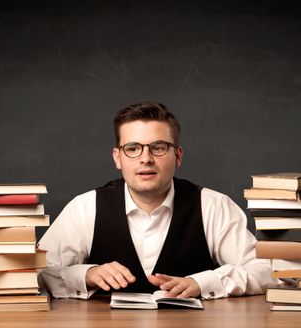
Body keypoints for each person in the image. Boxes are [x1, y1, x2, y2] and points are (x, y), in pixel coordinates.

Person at [38, 102, 276, 299]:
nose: (146, 159)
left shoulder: (213, 205)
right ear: (118, 157)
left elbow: (265, 271)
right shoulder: (85, 207)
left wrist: (203, 282)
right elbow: (38, 272)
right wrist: (86, 275)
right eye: (133, 148)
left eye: (158, 147)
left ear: (178, 155)